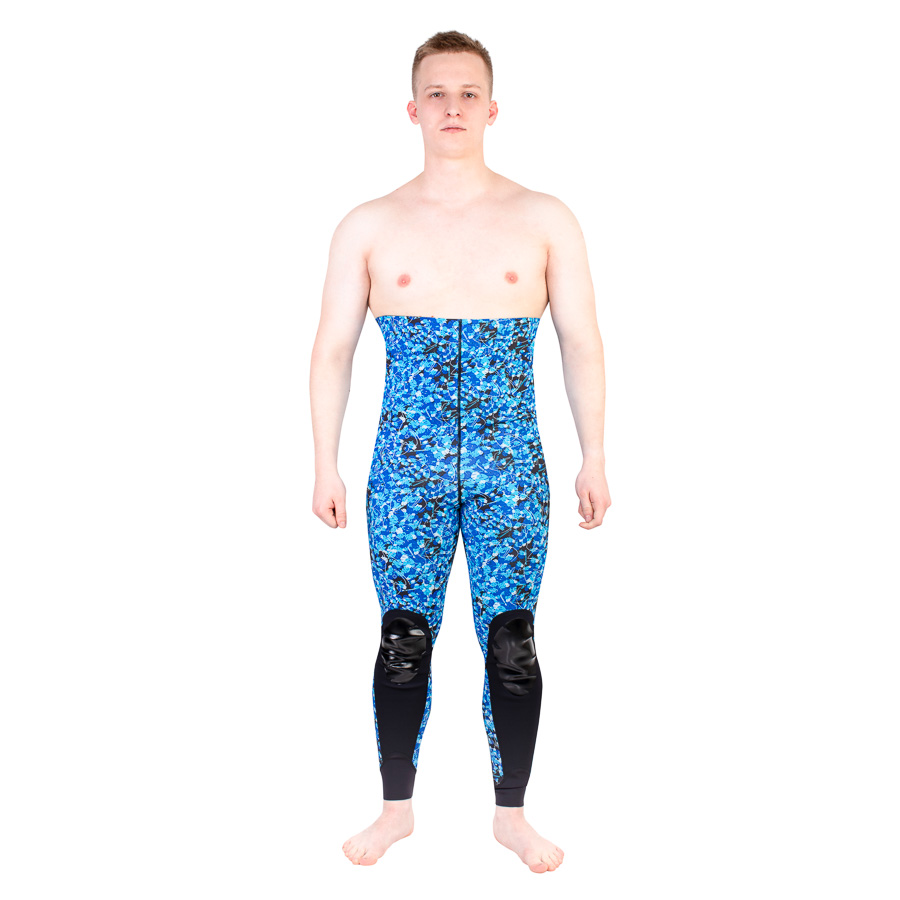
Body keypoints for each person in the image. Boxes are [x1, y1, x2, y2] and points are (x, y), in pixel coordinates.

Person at [310, 30, 611, 873]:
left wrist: (593, 454)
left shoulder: (544, 218)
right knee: (403, 636)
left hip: (510, 464)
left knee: (512, 638)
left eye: (468, 93)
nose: (453, 107)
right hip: (404, 468)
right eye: (437, 94)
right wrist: (326, 462)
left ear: (493, 108)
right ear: (412, 109)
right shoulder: (369, 224)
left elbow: (582, 343)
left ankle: (512, 814)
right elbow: (332, 349)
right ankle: (395, 810)